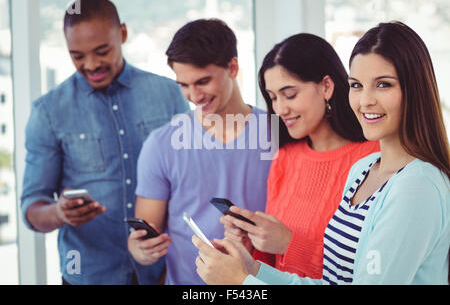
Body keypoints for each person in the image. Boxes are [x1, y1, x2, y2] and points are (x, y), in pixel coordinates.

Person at [193, 21, 450, 285]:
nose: (365, 100)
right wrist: (252, 269)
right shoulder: (363, 170)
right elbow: (335, 280)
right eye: (357, 85)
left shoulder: (417, 185)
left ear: (414, 90)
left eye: (383, 85)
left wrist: (242, 283)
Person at [20, 0, 189, 285]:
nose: (91, 64)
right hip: (89, 276)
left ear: (122, 34)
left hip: (162, 274)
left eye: (102, 51)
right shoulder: (48, 112)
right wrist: (59, 213)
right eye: (77, 56)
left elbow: (189, 183)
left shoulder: (169, 95)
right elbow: (32, 208)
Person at [220, 33, 379, 278]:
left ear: (326, 86)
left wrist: (289, 243)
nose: (280, 109)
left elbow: (370, 269)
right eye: (273, 98)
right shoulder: (286, 157)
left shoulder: (373, 158)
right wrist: (251, 243)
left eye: (290, 94)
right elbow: (273, 266)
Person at [127, 18, 273, 284]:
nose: (194, 96)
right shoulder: (161, 145)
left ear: (233, 67)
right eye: (183, 85)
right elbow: (147, 231)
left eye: (202, 81)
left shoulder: (277, 134)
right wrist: (140, 249)